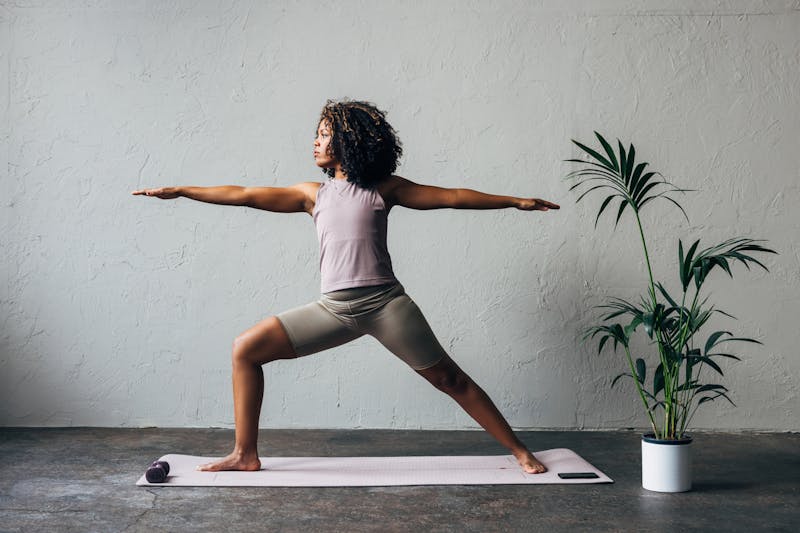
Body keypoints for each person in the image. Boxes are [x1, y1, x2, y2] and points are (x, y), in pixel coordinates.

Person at [132, 99, 560, 474]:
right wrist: (183, 190)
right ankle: (245, 454)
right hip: (333, 310)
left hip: (386, 305)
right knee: (246, 349)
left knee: (450, 378)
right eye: (316, 135)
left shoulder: (384, 189)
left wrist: (513, 201)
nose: (314, 143)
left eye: (323, 135)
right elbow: (244, 193)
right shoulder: (311, 194)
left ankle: (520, 450)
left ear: (349, 142)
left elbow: (450, 196)